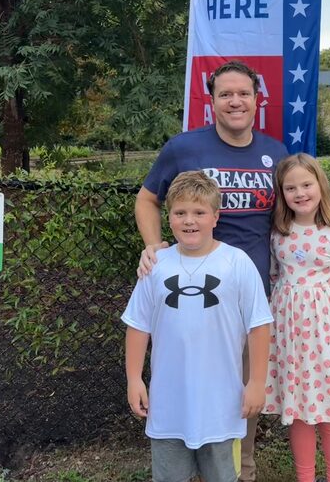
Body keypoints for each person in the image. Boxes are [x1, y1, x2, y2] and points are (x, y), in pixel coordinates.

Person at [135, 60, 330, 482]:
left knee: (242, 394)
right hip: (188, 299)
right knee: (187, 383)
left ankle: (241, 472)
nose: (235, 101)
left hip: (251, 300)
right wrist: (152, 244)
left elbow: (299, 201)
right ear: (212, 101)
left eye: (243, 94)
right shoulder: (183, 148)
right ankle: (186, 466)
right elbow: (147, 199)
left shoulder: (274, 153)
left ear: (257, 100)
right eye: (225, 94)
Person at [123, 171, 272, 482]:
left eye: (199, 212)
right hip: (168, 405)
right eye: (180, 213)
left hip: (221, 405)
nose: (189, 220)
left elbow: (258, 326)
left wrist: (257, 381)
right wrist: (134, 378)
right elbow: (138, 325)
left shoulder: (237, 262)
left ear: (215, 217)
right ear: (169, 217)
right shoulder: (156, 265)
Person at [263, 153, 330, 482]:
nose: (300, 193)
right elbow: (275, 279)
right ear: (282, 193)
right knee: (299, 415)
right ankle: (304, 477)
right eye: (290, 187)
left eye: (307, 184)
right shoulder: (279, 233)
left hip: (329, 339)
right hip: (291, 340)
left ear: (320, 185)